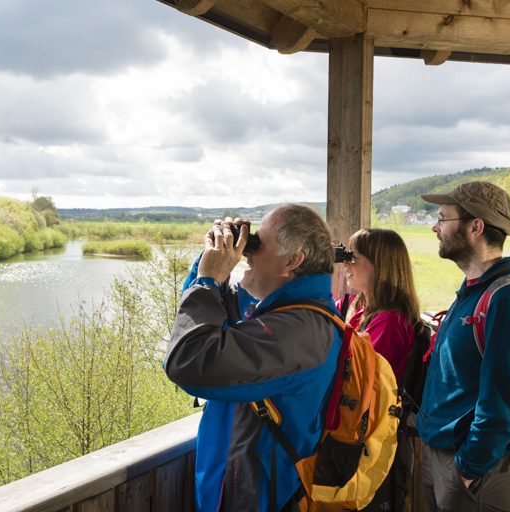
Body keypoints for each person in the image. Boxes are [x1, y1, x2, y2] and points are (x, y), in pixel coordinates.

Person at [164, 204, 341, 512]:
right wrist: (210, 263)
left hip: (259, 500)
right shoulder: (286, 313)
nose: (248, 251)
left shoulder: (299, 333)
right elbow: (202, 322)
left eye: (258, 243)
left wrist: (207, 280)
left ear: (293, 261)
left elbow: (189, 360)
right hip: (239, 490)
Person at [416, 181, 510, 512]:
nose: (435, 227)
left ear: (475, 227)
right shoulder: (475, 290)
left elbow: (504, 401)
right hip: (448, 457)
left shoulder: (509, 299)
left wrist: (467, 469)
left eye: (443, 218)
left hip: (478, 471)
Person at [339, 228, 421, 511]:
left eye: (353, 257)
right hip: (360, 436)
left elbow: (361, 382)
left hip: (373, 444)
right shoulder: (361, 308)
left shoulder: (389, 322)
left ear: (380, 266)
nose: (345, 264)